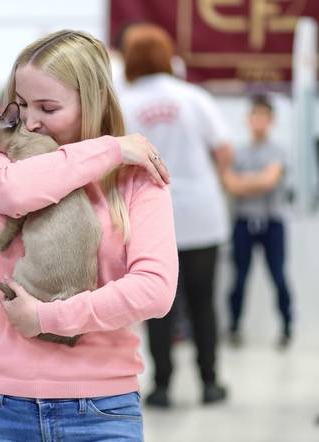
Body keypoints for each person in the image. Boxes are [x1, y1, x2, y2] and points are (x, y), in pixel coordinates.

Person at [0, 29, 176, 441]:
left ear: (92, 102)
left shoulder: (137, 180)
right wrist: (112, 150)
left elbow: (155, 290)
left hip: (101, 408)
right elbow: (12, 191)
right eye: (22, 105)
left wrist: (48, 317)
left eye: (48, 107)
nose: (30, 120)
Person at [118, 23, 231, 408]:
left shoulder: (124, 101)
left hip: (150, 216)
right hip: (201, 211)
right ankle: (210, 382)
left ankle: (162, 385)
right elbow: (224, 149)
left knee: (157, 304)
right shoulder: (193, 97)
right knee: (202, 302)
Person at [221, 94, 293, 348]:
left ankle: (286, 327)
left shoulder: (279, 150)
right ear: (248, 119)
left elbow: (269, 181)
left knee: (278, 276)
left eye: (263, 116)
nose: (258, 121)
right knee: (239, 278)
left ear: (271, 120)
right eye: (254, 115)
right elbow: (230, 183)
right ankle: (234, 327)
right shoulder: (237, 151)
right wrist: (256, 181)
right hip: (244, 222)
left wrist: (246, 182)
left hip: (273, 223)